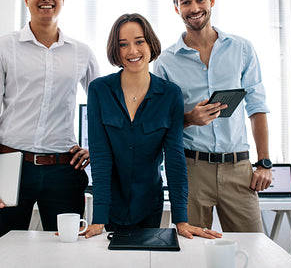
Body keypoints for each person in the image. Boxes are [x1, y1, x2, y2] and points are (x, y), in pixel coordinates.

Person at [0, 0, 100, 242]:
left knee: (66, 251)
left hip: (64, 170)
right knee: (4, 250)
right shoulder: (2, 48)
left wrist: (95, 149)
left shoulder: (81, 53)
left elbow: (105, 109)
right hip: (10, 166)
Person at [153, 0, 273, 232]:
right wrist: (189, 119)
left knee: (253, 248)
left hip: (239, 169)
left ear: (211, 1)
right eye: (185, 1)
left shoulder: (242, 48)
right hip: (191, 170)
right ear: (176, 8)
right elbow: (159, 122)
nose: (194, 7)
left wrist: (264, 162)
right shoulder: (165, 62)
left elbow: (257, 107)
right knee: (193, 253)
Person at [82, 13, 221, 239]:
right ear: (115, 50)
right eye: (123, 44)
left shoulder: (170, 94)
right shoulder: (99, 90)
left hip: (150, 205)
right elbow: (100, 159)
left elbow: (174, 158)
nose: (132, 51)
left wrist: (181, 220)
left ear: (150, 44)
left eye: (139, 42)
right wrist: (99, 219)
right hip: (111, 206)